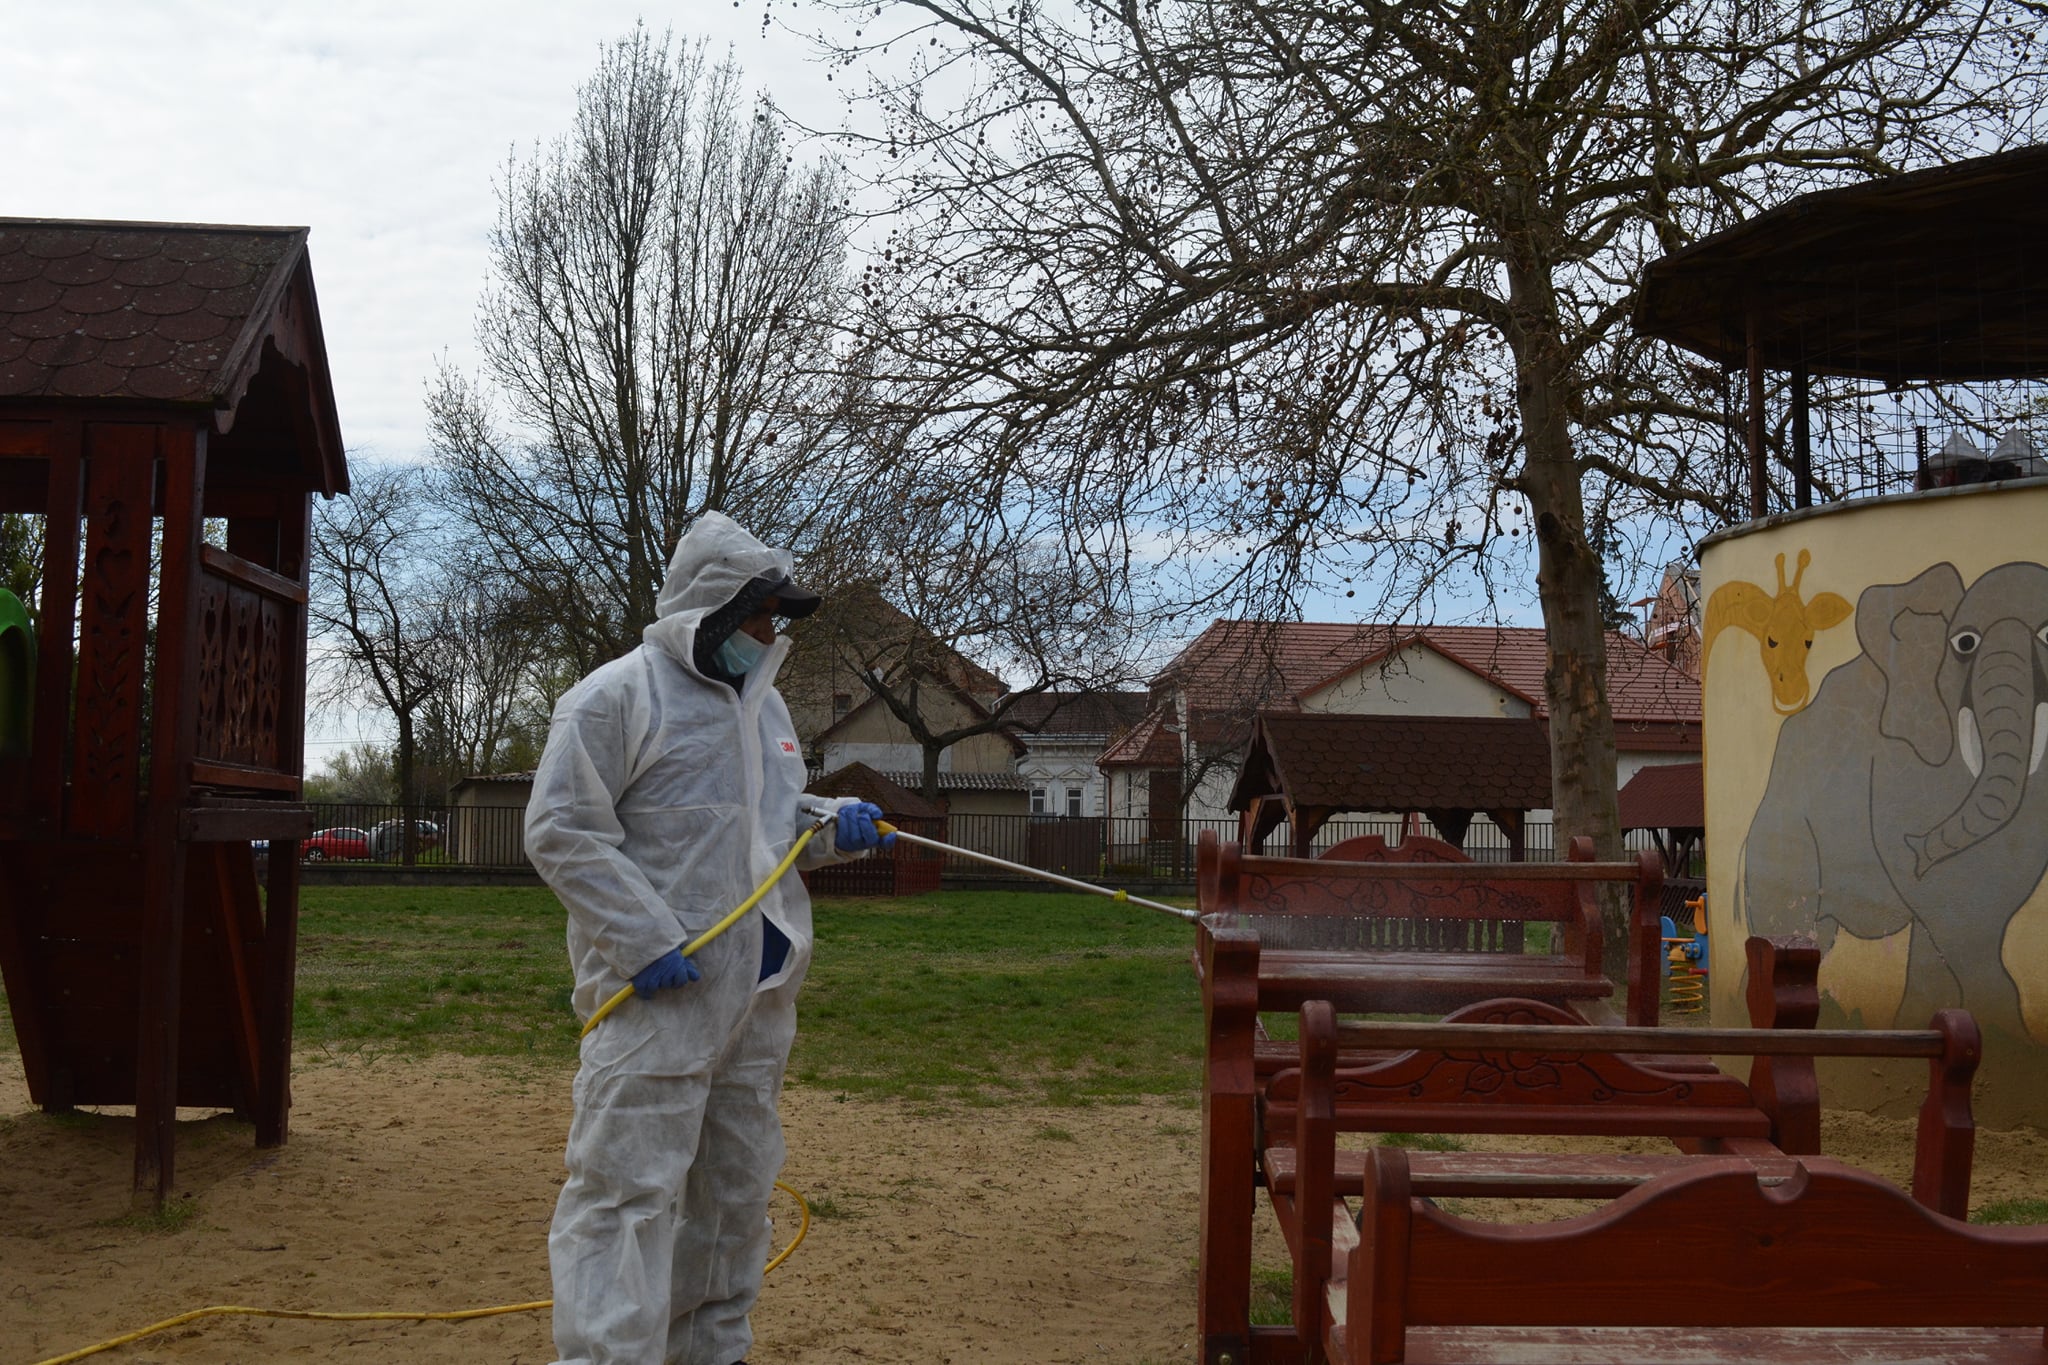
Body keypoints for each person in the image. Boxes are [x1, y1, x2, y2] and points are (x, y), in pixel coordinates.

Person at [525, 512, 891, 1365]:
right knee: (625, 1193)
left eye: (774, 618)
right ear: (716, 606)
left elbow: (764, 830)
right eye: (760, 613)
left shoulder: (763, 715)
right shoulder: (616, 697)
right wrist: (644, 937)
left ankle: (710, 1349)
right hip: (655, 999)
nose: (769, 633)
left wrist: (832, 824)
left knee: (734, 1190)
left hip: (753, 1004)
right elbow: (561, 829)